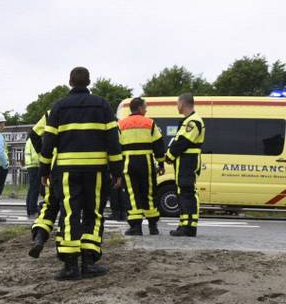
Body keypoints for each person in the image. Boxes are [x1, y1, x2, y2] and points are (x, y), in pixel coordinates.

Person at [39, 67, 123, 280]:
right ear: (89, 82)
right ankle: (89, 263)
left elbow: (48, 142)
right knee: (93, 214)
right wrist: (117, 171)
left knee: (70, 214)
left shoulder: (58, 107)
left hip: (67, 170)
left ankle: (70, 266)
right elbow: (113, 141)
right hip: (96, 171)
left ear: (70, 82)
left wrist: (44, 170)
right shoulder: (103, 105)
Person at [119, 97, 166, 235]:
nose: (146, 110)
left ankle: (136, 227)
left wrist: (115, 168)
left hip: (128, 163)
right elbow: (158, 144)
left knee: (133, 194)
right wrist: (161, 163)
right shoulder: (150, 123)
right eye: (145, 107)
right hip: (146, 162)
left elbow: (116, 147)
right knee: (149, 194)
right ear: (139, 108)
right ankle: (153, 226)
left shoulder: (121, 124)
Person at [166, 93, 205, 237]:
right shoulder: (188, 120)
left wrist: (169, 156)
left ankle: (190, 226)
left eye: (177, 103)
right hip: (184, 162)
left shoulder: (193, 122)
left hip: (188, 162)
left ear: (182, 104)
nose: (177, 106)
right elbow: (178, 141)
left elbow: (182, 142)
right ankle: (184, 224)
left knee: (188, 192)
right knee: (182, 193)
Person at [29, 113, 61, 258]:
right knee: (71, 208)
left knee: (49, 205)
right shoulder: (94, 109)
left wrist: (43, 157)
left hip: (55, 166)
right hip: (81, 167)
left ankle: (39, 237)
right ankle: (64, 246)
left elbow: (34, 134)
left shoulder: (52, 112)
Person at [24, 129, 42, 216]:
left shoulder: (28, 140)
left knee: (32, 189)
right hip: (35, 165)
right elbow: (38, 153)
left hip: (30, 165)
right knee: (35, 189)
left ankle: (29, 210)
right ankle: (33, 210)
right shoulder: (34, 140)